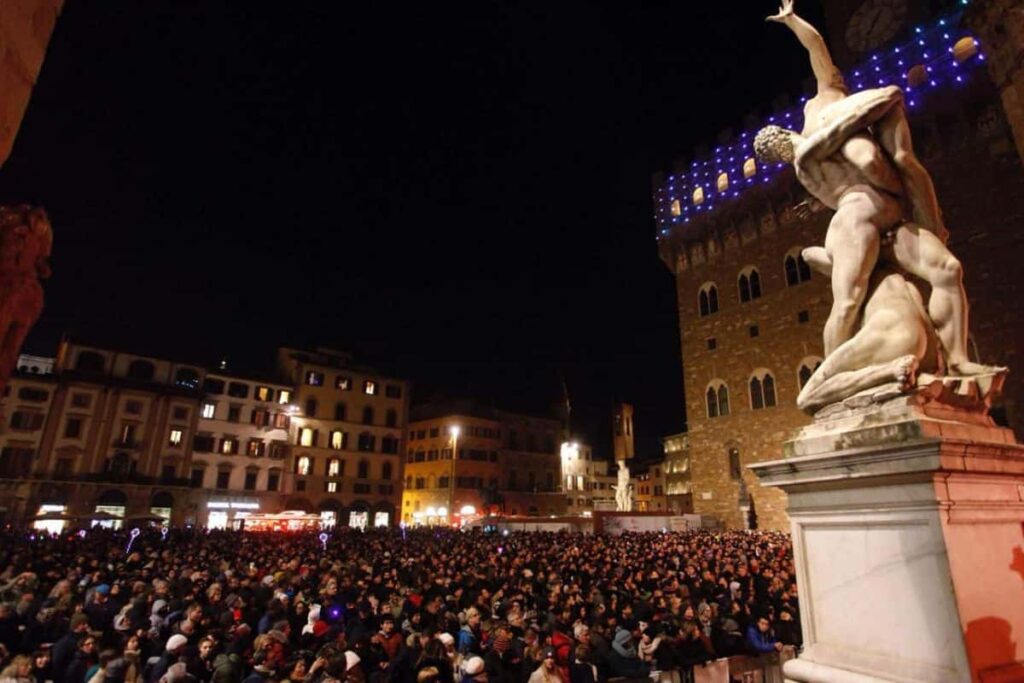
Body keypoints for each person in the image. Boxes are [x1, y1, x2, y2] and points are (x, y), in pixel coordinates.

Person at [759, 0, 997, 379]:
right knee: (848, 302)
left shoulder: (827, 98)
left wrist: (792, 21)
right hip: (857, 220)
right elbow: (833, 138)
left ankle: (957, 358)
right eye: (776, 149)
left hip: (891, 211)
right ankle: (834, 379)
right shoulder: (805, 155)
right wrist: (876, 102)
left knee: (948, 270)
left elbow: (817, 47)